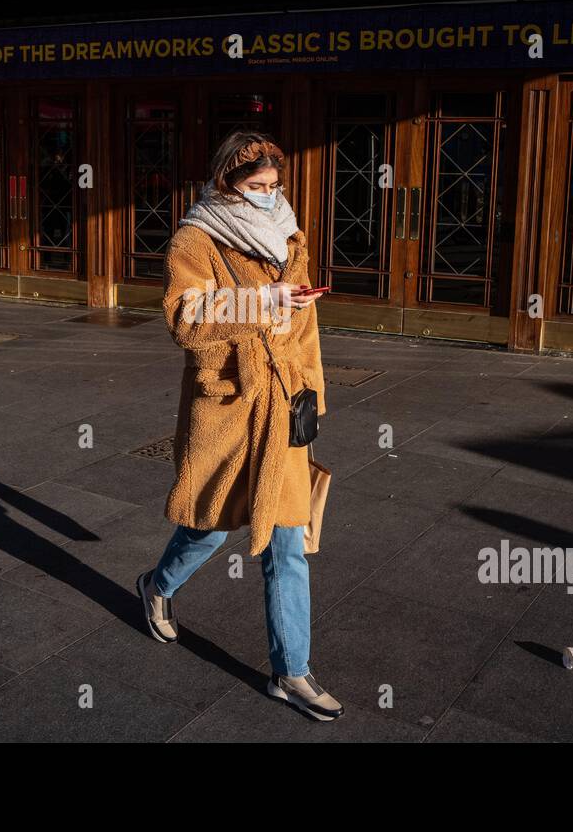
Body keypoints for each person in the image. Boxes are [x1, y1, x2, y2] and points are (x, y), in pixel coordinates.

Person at [136, 130, 342, 721]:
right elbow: (185, 318)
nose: (267, 197)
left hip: (284, 405)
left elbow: (305, 329)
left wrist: (314, 396)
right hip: (229, 405)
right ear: (227, 181)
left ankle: (291, 672)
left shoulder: (288, 233)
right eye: (255, 187)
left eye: (273, 186)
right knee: (211, 526)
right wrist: (264, 303)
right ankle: (157, 586)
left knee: (287, 543)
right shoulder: (195, 237)